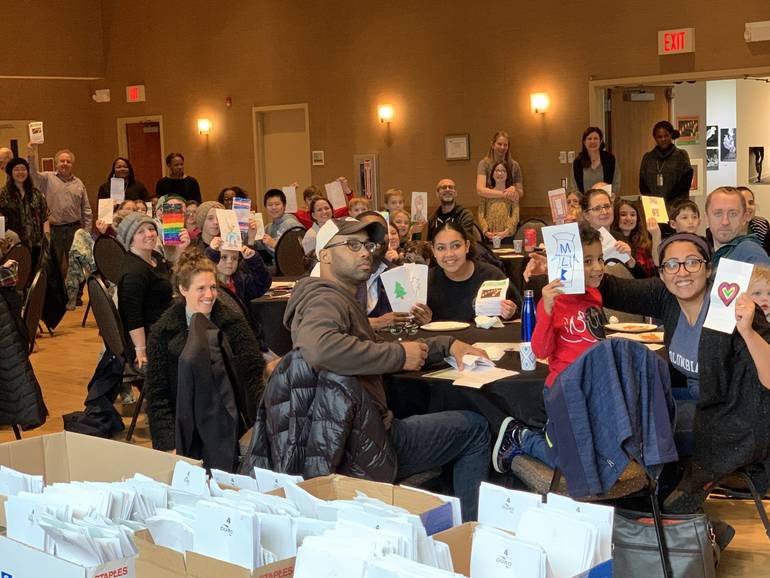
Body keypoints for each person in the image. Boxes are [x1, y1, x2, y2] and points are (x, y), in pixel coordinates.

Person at [284, 216, 491, 520]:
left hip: (343, 435)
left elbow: (365, 347)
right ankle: (468, 536)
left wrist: (443, 345)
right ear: (324, 255)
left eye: (368, 244)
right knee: (475, 428)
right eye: (352, 245)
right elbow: (319, 348)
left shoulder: (335, 297)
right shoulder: (324, 299)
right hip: (364, 446)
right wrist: (397, 356)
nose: (366, 252)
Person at [494, 224, 605, 472]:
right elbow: (541, 350)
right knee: (564, 461)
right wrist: (545, 309)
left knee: (595, 455)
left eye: (600, 259)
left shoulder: (594, 296)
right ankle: (521, 436)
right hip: (563, 390)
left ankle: (551, 435)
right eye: (587, 261)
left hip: (592, 389)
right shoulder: (553, 301)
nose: (598, 267)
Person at [145, 250, 265, 453]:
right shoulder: (162, 332)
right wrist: (169, 445)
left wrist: (262, 427)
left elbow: (253, 376)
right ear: (183, 289)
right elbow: (158, 395)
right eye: (201, 288)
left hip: (230, 425)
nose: (209, 295)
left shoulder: (233, 323)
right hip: (186, 429)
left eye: (213, 287)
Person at [427, 221, 517, 322]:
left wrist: (510, 313)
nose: (449, 254)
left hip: (484, 338)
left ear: (467, 246)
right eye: (441, 248)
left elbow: (519, 312)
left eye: (456, 246)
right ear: (433, 251)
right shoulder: (425, 281)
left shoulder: (491, 275)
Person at [116, 212, 174, 370]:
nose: (149, 234)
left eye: (151, 228)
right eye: (140, 231)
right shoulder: (133, 273)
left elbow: (174, 277)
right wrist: (141, 351)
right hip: (153, 337)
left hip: (166, 325)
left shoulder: (153, 256)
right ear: (130, 239)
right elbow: (132, 316)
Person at [27, 144, 92, 274]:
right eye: (62, 161)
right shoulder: (47, 178)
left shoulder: (78, 183)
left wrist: (87, 233)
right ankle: (57, 294)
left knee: (77, 266)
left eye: (68, 161)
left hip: (74, 229)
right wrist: (31, 154)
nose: (65, 164)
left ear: (72, 164)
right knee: (53, 266)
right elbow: (32, 174)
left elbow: (86, 210)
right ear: (56, 163)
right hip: (54, 230)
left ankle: (76, 294)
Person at [0, 157, 47, 268]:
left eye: (23, 169)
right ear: (11, 173)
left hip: (36, 243)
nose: (20, 172)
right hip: (13, 244)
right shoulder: (3, 194)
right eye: (16, 169)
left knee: (37, 274)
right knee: (19, 275)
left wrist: (47, 237)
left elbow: (45, 216)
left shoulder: (36, 193)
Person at [706, 186, 770, 267]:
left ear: (745, 218)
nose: (725, 222)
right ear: (707, 218)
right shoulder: (704, 253)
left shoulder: (751, 254)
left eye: (733, 214)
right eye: (718, 213)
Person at [639, 120, 693, 208]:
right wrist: (652, 201)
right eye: (659, 137)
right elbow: (642, 184)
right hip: (654, 206)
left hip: (676, 205)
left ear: (671, 135)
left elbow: (685, 183)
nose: (663, 139)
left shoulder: (681, 155)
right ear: (655, 138)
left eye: (666, 136)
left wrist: (667, 199)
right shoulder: (648, 158)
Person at [205, 236, 271, 302]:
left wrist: (254, 260)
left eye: (234, 258)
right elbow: (203, 268)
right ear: (215, 257)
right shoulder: (209, 283)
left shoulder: (241, 281)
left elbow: (263, 284)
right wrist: (211, 252)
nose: (230, 261)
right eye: (224, 257)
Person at [580, 188, 635, 267]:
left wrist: (629, 259)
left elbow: (639, 276)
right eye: (597, 208)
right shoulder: (582, 241)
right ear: (586, 215)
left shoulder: (618, 236)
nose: (604, 212)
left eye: (607, 206)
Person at [610, 198, 657, 277]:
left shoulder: (644, 242)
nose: (628, 218)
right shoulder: (612, 242)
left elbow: (653, 272)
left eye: (633, 214)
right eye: (623, 214)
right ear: (615, 217)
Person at [476, 131, 523, 207]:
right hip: (489, 207)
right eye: (499, 144)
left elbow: (520, 192)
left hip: (510, 208)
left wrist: (514, 189)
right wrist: (505, 194)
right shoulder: (484, 164)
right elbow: (480, 190)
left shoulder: (514, 165)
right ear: (492, 145)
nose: (502, 147)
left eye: (505, 145)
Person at [570, 127, 621, 194]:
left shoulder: (610, 159)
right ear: (584, 142)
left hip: (605, 202)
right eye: (589, 139)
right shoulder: (577, 162)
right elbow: (574, 187)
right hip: (585, 202)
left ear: (600, 141)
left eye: (596, 138)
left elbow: (616, 183)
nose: (592, 141)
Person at [478, 161, 518, 242]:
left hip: (507, 237)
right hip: (489, 236)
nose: (500, 173)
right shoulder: (486, 194)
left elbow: (515, 215)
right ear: (492, 174)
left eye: (503, 171)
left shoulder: (512, 193)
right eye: (497, 171)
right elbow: (480, 214)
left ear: (507, 175)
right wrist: (485, 231)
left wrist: (506, 232)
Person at [262, 188, 303, 255]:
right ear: (265, 207)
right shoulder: (268, 228)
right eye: (270, 205)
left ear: (284, 206)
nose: (274, 207)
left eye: (277, 204)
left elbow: (301, 251)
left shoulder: (293, 225)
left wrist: (275, 245)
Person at [738, 186, 770, 256]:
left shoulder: (761, 225)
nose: (748, 206)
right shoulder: (723, 231)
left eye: (751, 202)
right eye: (743, 203)